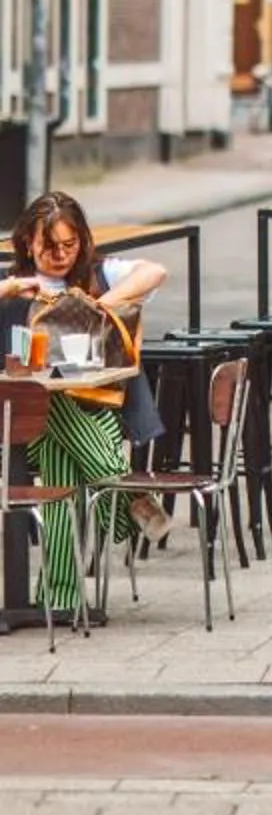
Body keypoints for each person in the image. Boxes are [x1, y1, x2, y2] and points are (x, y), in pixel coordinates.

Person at [1, 193, 168, 608]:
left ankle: (59, 599)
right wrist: (8, 288)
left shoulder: (99, 274)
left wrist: (98, 305)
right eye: (48, 246)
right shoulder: (16, 285)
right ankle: (127, 494)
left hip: (98, 413)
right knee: (46, 400)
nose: (60, 255)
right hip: (30, 425)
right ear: (27, 243)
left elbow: (155, 270)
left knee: (62, 466)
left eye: (69, 245)